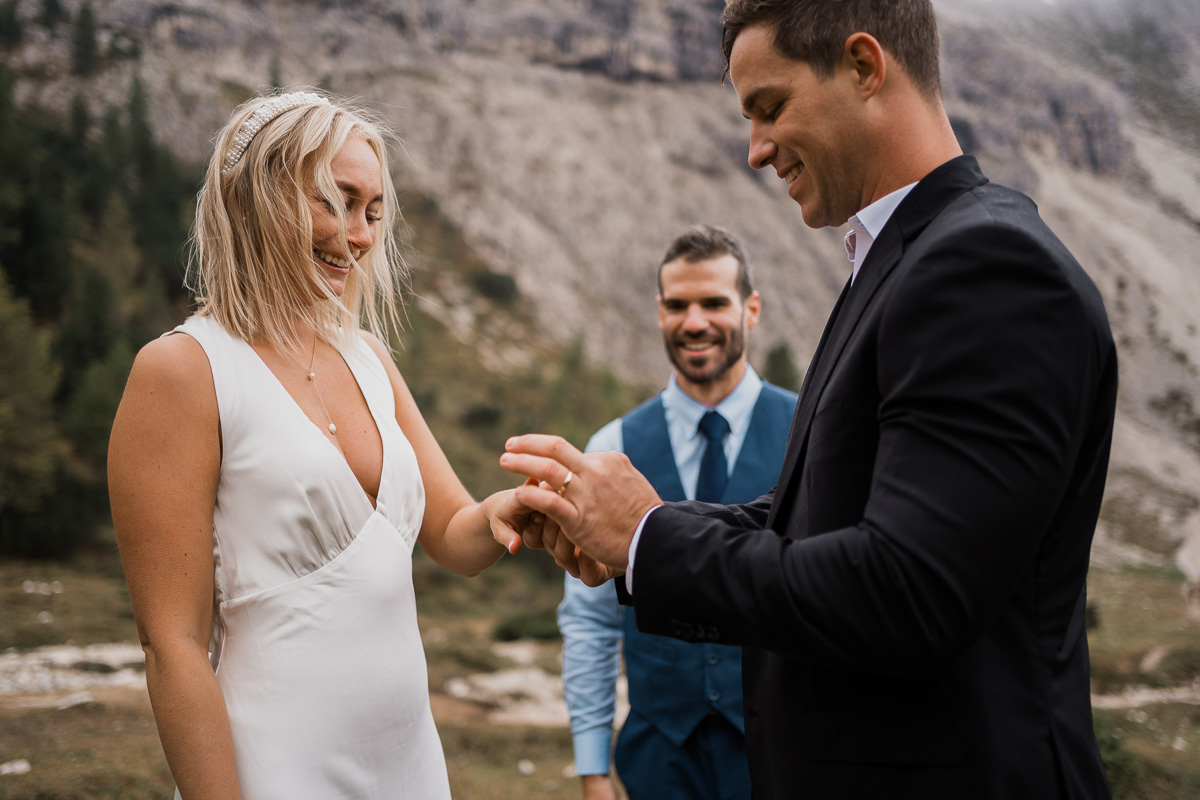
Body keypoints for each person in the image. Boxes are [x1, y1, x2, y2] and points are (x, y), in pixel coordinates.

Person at [501, 2, 1118, 798]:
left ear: (864, 66)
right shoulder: (905, 259)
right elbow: (819, 517)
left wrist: (652, 537)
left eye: (770, 107)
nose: (755, 151)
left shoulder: (985, 268)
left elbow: (907, 591)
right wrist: (633, 540)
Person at [108, 90, 533, 799]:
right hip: (276, 764)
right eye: (337, 200)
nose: (361, 235)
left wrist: (512, 510)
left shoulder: (368, 355)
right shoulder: (182, 370)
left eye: (373, 212)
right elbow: (172, 646)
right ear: (256, 198)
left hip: (410, 766)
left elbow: (455, 536)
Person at [558, 225, 797, 800]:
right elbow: (590, 620)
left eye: (714, 302)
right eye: (677, 305)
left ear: (752, 309)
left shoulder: (807, 437)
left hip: (782, 757)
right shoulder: (609, 448)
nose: (695, 322)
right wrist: (593, 770)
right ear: (659, 312)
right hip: (658, 763)